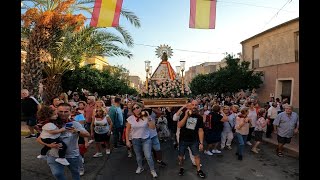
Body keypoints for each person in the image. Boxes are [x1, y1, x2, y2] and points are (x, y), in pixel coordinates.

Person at [36, 103, 90, 180]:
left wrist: (76, 131)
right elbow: (39, 139)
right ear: (56, 111)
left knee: (75, 173)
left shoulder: (74, 123)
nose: (63, 114)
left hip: (72, 155)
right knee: (57, 174)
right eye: (61, 111)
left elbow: (87, 134)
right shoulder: (50, 124)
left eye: (66, 111)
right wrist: (48, 145)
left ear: (70, 112)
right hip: (54, 155)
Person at [125, 102, 158, 178]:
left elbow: (153, 128)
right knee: (138, 156)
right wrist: (127, 140)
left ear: (141, 108)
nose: (136, 110)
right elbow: (127, 130)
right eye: (134, 109)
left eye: (137, 107)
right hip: (135, 140)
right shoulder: (130, 119)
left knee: (148, 156)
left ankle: (152, 170)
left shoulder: (146, 116)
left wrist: (149, 117)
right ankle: (140, 167)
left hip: (146, 139)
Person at [177, 100, 206, 178]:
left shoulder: (199, 117)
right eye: (192, 104)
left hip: (194, 140)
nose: (194, 106)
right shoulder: (184, 114)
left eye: (196, 105)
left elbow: (200, 130)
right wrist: (186, 116)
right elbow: (179, 125)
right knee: (181, 157)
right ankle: (181, 168)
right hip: (183, 139)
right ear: (190, 106)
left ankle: (199, 170)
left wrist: (201, 143)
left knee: (196, 156)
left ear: (198, 106)